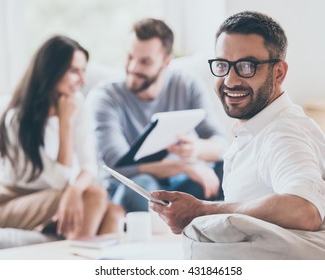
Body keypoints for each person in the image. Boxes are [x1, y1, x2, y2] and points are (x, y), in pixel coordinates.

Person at [150, 11, 325, 234]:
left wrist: (201, 210)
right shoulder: (257, 129)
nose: (230, 80)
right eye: (222, 65)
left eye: (247, 66)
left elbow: (304, 210)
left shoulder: (283, 134)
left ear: (279, 73)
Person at [0, 35, 124, 239]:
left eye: (83, 71)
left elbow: (90, 167)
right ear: (51, 71)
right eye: (74, 71)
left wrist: (74, 191)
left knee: (114, 212)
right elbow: (60, 180)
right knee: (94, 196)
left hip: (51, 196)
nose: (82, 81)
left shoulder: (77, 103)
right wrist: (65, 123)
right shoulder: (17, 119)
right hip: (5, 202)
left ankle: (92, 265)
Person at [88, 18, 229, 213]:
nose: (133, 67)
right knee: (142, 184)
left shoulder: (186, 84)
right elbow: (118, 167)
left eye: (145, 61)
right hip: (135, 189)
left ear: (166, 62)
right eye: (130, 57)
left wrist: (197, 149)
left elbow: (222, 144)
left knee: (226, 171)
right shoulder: (105, 98)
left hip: (182, 186)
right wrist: (183, 166)